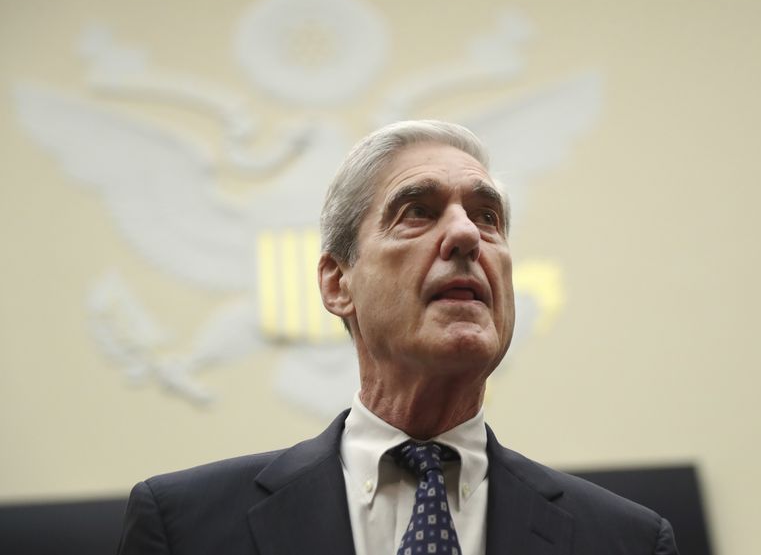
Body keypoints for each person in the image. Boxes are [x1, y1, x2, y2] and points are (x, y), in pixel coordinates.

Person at [117, 121, 678, 555]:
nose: (464, 235)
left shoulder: (625, 540)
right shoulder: (185, 526)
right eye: (418, 211)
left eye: (487, 217)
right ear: (339, 283)